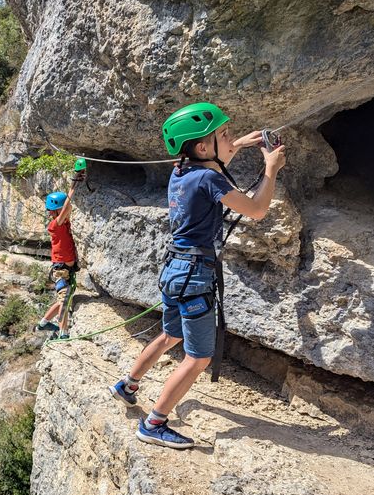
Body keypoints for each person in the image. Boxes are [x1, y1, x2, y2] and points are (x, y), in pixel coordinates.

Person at [109, 102, 287, 448]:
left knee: (168, 335)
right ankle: (154, 423)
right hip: (194, 277)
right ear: (204, 148)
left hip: (175, 270)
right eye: (224, 134)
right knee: (198, 357)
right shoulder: (209, 178)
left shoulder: (182, 172)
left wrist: (245, 143)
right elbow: (258, 209)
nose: (231, 138)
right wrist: (271, 168)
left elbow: (219, 158)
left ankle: (127, 385)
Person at [35, 166, 85, 339]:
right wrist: (74, 183)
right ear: (56, 211)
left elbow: (66, 209)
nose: (68, 211)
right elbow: (67, 207)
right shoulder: (55, 225)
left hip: (66, 269)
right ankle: (60, 331)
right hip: (61, 270)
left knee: (64, 299)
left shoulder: (63, 224)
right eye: (63, 209)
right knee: (64, 300)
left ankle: (46, 324)